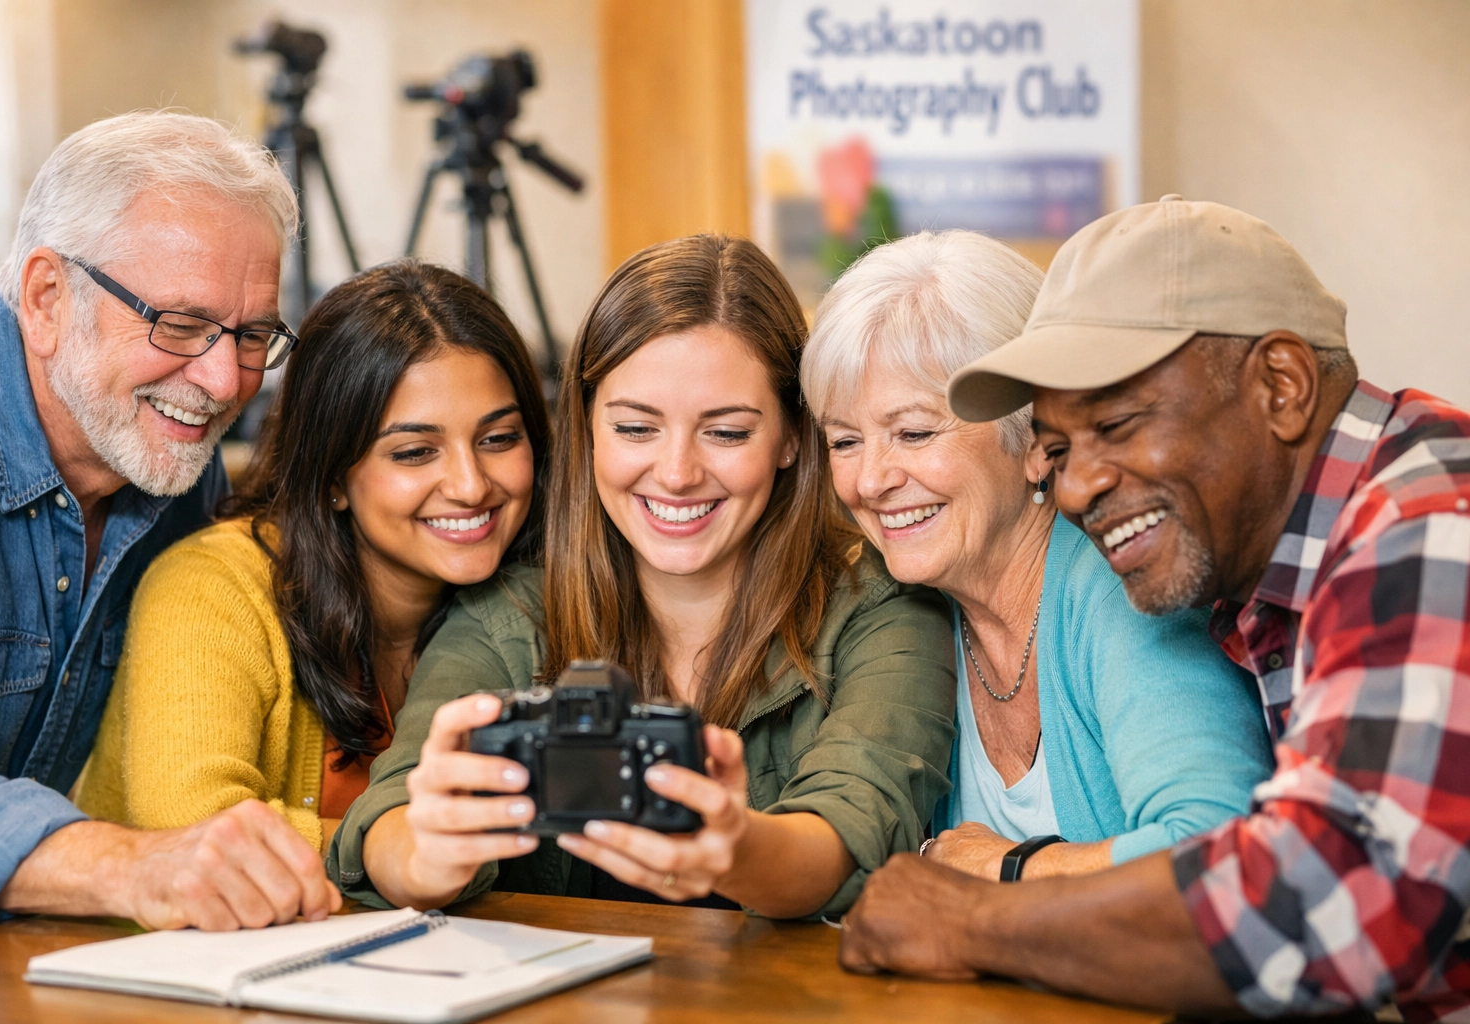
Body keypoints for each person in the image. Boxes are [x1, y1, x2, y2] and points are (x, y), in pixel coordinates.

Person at [840, 196, 1470, 1021]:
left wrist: (973, 917)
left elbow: (1327, 909)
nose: (1078, 488)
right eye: (1060, 448)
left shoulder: (1428, 526)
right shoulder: (1281, 569)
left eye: (1118, 424)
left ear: (1281, 386)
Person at [329, 234, 957, 919]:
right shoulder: (505, 613)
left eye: (726, 432)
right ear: (588, 428)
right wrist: (424, 854)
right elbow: (390, 819)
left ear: (790, 438)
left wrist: (737, 848)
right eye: (635, 429)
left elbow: (853, 829)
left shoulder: (883, 610)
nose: (677, 473)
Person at [0, 110, 339, 929]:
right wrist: (130, 865)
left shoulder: (162, 448)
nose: (224, 382)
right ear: (47, 298)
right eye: (179, 325)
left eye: (254, 335)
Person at [800, 230, 1272, 881]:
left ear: (1032, 441)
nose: (871, 481)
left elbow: (1220, 848)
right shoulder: (897, 612)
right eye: (845, 442)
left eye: (914, 433)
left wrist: (1010, 868)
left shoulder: (1119, 588)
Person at [74, 260, 548, 852]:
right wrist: (388, 850)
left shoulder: (535, 595)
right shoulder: (210, 586)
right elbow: (197, 829)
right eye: (414, 452)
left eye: (498, 439)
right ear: (331, 476)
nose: (471, 486)